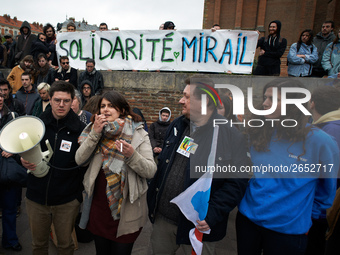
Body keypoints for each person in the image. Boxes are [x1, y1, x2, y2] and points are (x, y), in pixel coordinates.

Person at [147, 75, 249, 255]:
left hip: (198, 227)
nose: (180, 101)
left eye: (186, 96)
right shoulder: (177, 125)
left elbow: (237, 183)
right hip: (163, 220)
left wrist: (214, 213)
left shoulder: (231, 136)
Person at [236, 78, 339, 255]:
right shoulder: (259, 131)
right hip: (248, 220)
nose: (265, 104)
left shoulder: (321, 141)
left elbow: (327, 191)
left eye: (273, 99)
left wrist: (302, 215)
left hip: (288, 231)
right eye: (265, 98)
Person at [75, 90, 157, 255]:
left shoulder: (139, 133)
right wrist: (95, 134)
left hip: (127, 210)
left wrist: (132, 155)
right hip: (99, 209)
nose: (105, 109)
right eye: (102, 106)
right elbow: (79, 160)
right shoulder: (93, 130)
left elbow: (150, 170)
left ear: (122, 109)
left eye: (111, 106)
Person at [21, 81, 86, 254]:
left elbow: (85, 163)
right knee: (38, 245)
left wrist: (77, 196)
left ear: (72, 101)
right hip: (36, 197)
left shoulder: (81, 129)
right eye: (57, 100)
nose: (61, 105)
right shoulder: (36, 125)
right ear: (50, 99)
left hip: (67, 200)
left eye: (66, 101)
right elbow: (23, 148)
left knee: (65, 245)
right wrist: (23, 160)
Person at [308, 86, 340, 255]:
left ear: (312, 103)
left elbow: (327, 175)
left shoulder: (331, 131)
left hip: (320, 210)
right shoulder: (327, 126)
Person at [0, 92, 22, 252]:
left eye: (1, 96)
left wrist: (13, 150)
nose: (0, 98)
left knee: (9, 209)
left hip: (8, 171)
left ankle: (10, 240)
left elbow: (23, 139)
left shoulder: (13, 116)